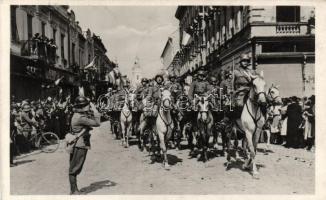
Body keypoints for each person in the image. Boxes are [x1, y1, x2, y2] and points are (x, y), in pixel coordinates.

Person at [69, 96, 101, 195]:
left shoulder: (77, 114)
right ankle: (74, 191)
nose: (89, 107)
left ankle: (74, 190)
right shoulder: (80, 118)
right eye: (87, 105)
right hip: (80, 144)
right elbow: (97, 123)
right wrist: (95, 109)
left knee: (74, 166)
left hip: (77, 143)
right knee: (74, 168)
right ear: (82, 107)